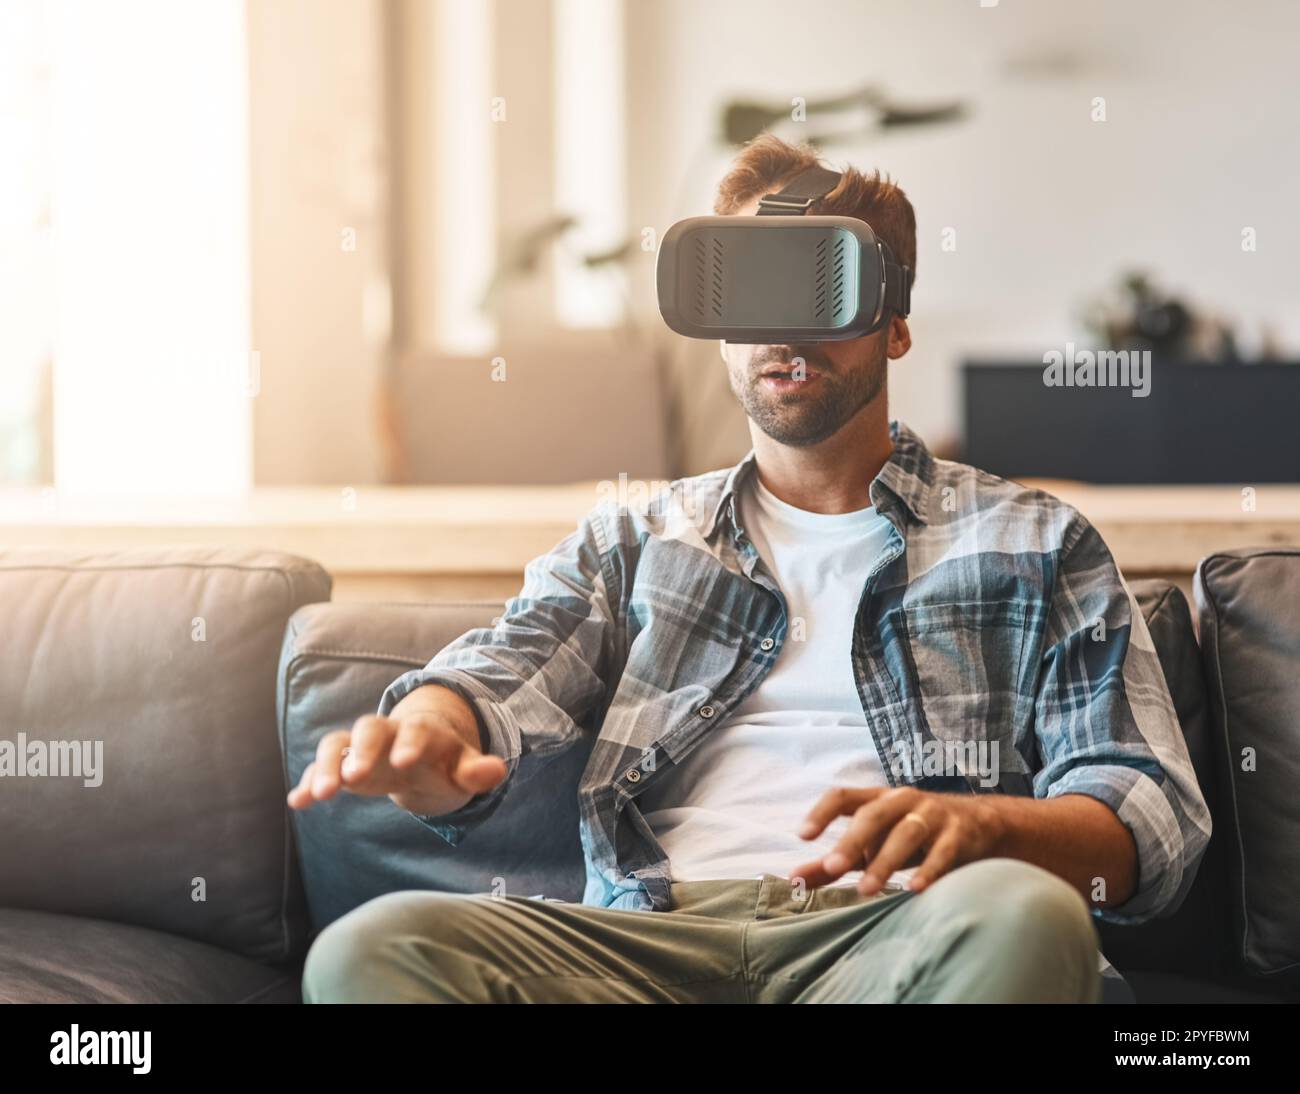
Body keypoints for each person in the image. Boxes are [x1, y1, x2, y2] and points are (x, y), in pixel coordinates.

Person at [290, 134, 1210, 1004]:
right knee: (373, 950)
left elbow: (1146, 820)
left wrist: (989, 832)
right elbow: (495, 675)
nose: (782, 327)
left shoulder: (1037, 542)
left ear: (893, 326)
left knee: (1026, 914)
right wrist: (428, 729)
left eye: (823, 285)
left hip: (896, 934)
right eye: (750, 289)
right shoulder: (634, 541)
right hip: (652, 941)